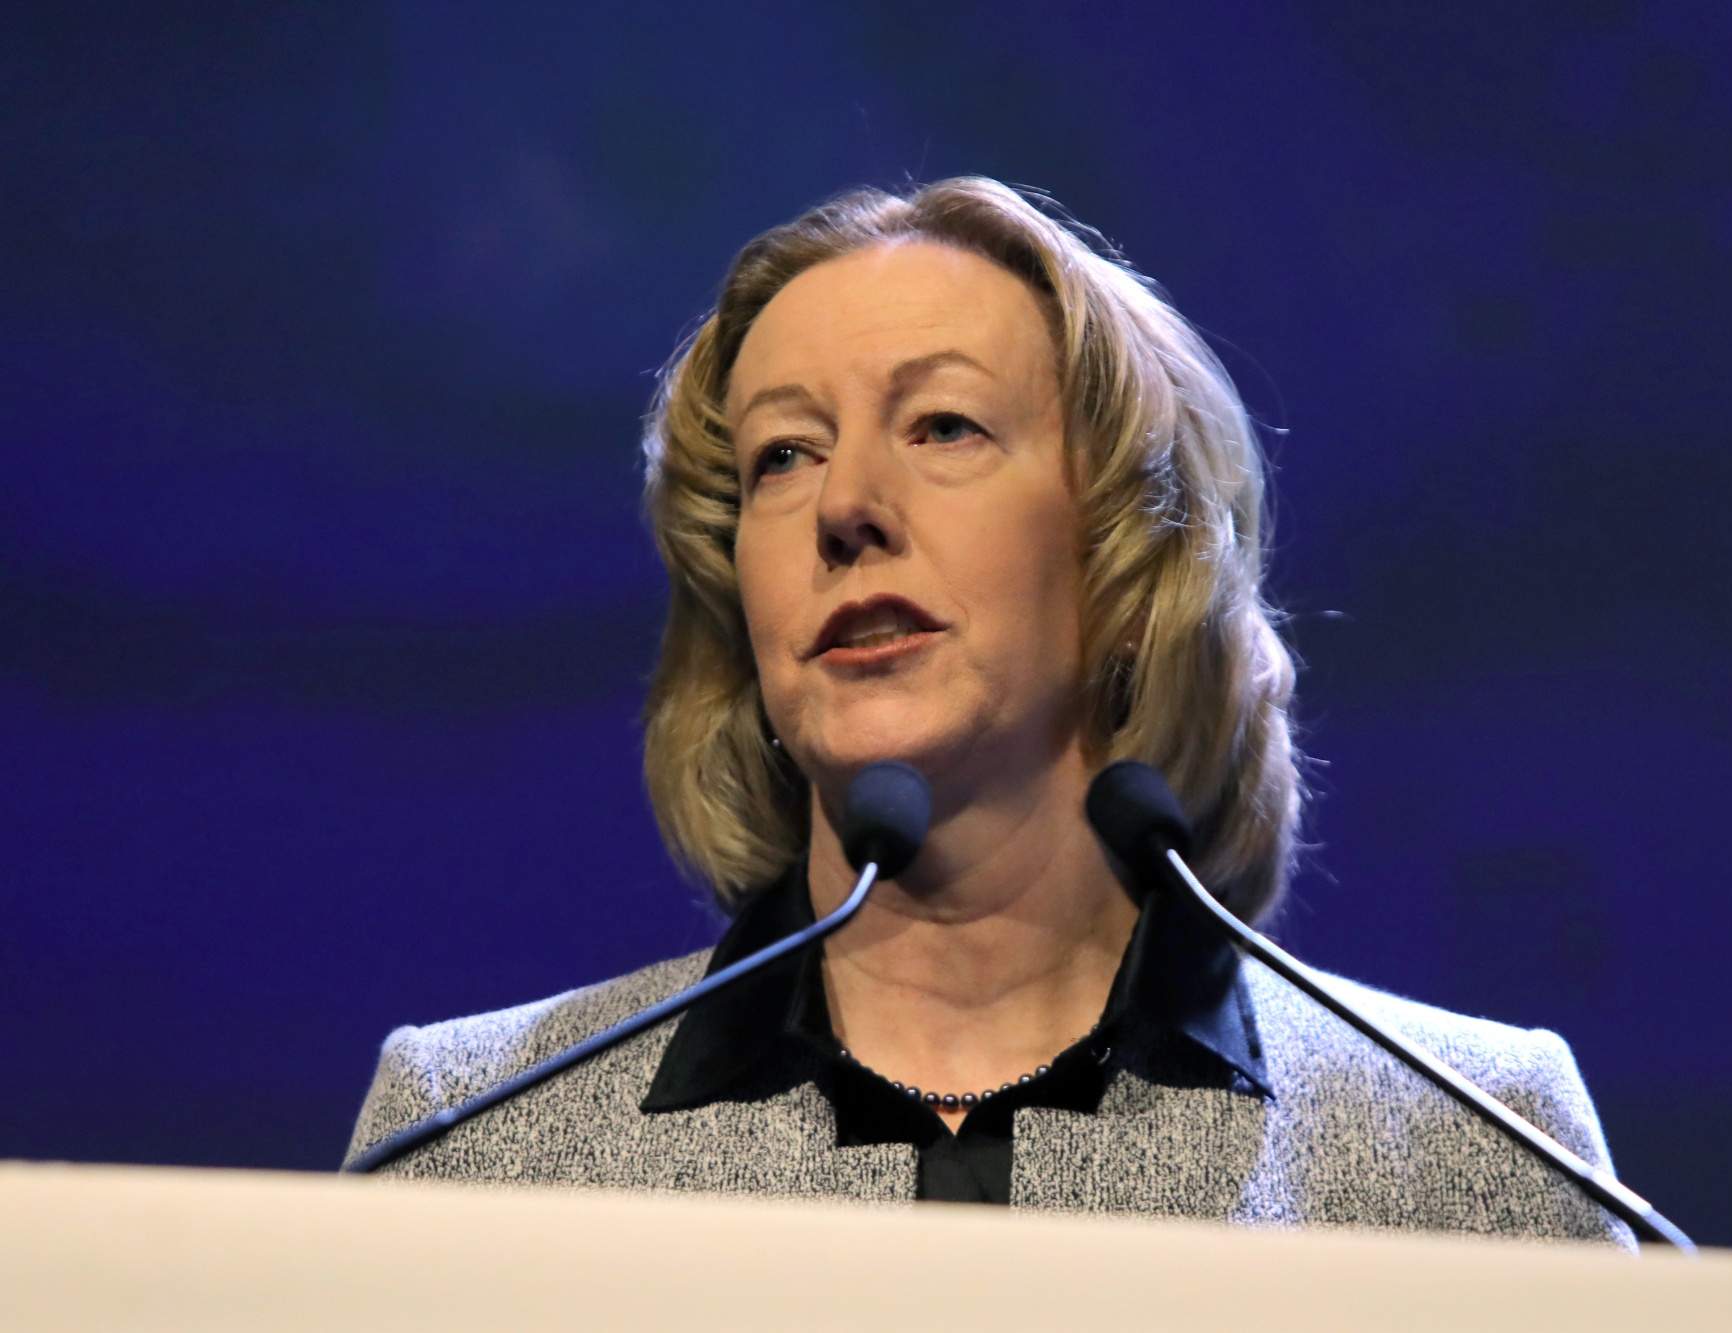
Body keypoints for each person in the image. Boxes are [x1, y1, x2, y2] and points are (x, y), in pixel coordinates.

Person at [344, 177, 1635, 1248]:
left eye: (944, 425)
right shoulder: (473, 1142)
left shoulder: (1478, 1154)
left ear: (1127, 555)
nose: (845, 506)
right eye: (784, 454)